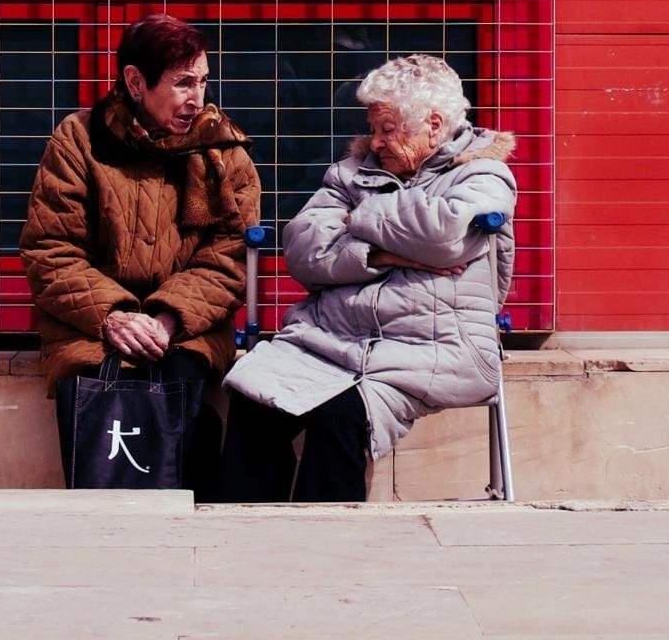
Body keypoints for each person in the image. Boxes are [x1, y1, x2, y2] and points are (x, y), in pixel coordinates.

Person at [218, 53, 516, 501]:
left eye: (388, 129)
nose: (374, 142)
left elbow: (445, 234)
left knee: (337, 415)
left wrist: (358, 215)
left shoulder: (483, 174)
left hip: (428, 348)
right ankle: (245, 532)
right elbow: (302, 248)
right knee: (254, 397)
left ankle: (329, 544)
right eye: (374, 128)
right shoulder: (352, 172)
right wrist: (383, 253)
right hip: (328, 341)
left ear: (433, 125)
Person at [21, 14, 261, 491]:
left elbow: (229, 255)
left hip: (186, 325)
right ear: (135, 81)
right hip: (91, 324)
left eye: (203, 81)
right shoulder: (80, 140)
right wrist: (114, 316)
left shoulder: (223, 151)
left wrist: (166, 318)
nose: (197, 97)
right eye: (182, 83)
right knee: (93, 401)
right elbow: (50, 248)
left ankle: (175, 521)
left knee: (177, 390)